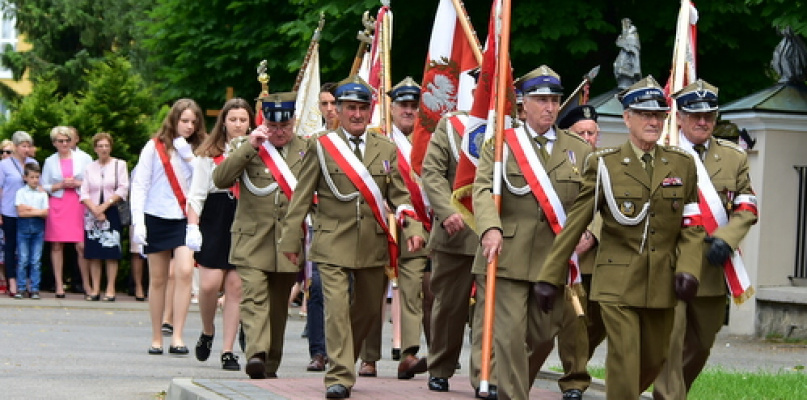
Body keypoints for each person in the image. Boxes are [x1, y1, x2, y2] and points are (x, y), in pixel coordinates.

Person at [536, 75, 705, 399]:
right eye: (645, 115)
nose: (653, 122)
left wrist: (688, 268)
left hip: (662, 281)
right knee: (625, 358)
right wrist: (549, 276)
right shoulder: (604, 164)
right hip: (617, 281)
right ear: (627, 118)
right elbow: (576, 223)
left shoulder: (682, 164)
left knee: (654, 359)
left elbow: (691, 226)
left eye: (658, 116)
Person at [278, 75, 425, 399]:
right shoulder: (321, 146)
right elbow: (301, 196)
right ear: (339, 111)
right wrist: (290, 240)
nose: (357, 114)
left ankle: (345, 358)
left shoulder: (385, 148)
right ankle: (340, 375)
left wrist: (413, 227)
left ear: (370, 110)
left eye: (362, 108)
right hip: (332, 242)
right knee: (337, 308)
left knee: (369, 310)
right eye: (350, 108)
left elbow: (400, 196)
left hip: (372, 243)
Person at [472, 65, 592, 400]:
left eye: (554, 100)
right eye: (541, 100)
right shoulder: (501, 144)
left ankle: (513, 385)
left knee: (543, 335)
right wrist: (490, 228)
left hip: (553, 258)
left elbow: (596, 196)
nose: (549, 107)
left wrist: (591, 232)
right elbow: (482, 189)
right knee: (509, 337)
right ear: (523, 104)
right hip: (508, 253)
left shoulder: (579, 149)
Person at [653, 80, 759, 400]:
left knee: (700, 345)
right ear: (679, 118)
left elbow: (747, 205)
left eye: (709, 116)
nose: (703, 122)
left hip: (712, 266)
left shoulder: (733, 157)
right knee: (672, 341)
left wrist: (727, 238)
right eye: (695, 116)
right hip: (670, 265)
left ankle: (674, 392)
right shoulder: (661, 153)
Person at [212, 91, 305, 379]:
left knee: (278, 308)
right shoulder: (245, 146)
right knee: (253, 299)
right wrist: (250, 146)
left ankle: (270, 363)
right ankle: (256, 354)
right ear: (264, 122)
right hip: (251, 240)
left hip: (288, 242)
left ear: (293, 121)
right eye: (273, 126)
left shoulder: (307, 149)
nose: (279, 132)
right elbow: (221, 179)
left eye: (285, 126)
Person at [359, 77, 431, 380]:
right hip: (381, 223)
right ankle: (369, 358)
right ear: (391, 107)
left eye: (414, 105)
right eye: (403, 105)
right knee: (373, 293)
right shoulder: (376, 140)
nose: (409, 110)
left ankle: (409, 354)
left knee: (412, 291)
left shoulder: (430, 141)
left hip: (416, 225)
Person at [131, 98, 206, 355]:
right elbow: (140, 184)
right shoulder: (154, 147)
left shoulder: (200, 148)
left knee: (184, 272)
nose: (189, 126)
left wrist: (190, 158)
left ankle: (178, 336)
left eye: (193, 122)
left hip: (185, 218)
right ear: (174, 120)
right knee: (158, 279)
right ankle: (156, 337)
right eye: (184, 121)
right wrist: (138, 221)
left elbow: (206, 180)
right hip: (156, 215)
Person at [188, 97, 254, 371]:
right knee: (209, 285)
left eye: (243, 120)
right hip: (215, 217)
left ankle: (228, 350)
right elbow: (196, 194)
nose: (238, 124)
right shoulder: (209, 153)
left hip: (243, 215)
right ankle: (208, 330)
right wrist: (193, 226)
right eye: (233, 119)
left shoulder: (256, 149)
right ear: (223, 122)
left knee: (236, 287)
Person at [553, 105, 604, 399]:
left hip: (597, 257)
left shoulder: (608, 161)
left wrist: (593, 233)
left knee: (598, 321)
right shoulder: (558, 159)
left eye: (591, 133)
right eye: (580, 133)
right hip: (565, 254)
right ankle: (574, 379)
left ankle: (579, 362)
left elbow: (609, 201)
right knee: (573, 320)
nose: (587, 139)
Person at [304, 81, 339, 373]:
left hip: (352, 225)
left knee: (349, 291)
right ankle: (318, 351)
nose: (329, 109)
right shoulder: (313, 141)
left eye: (333, 103)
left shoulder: (359, 139)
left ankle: (344, 351)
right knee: (317, 287)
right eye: (324, 104)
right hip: (320, 222)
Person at [41, 126, 93, 299]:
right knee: (57, 245)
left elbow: (92, 181)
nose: (64, 144)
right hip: (58, 203)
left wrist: (77, 183)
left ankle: (87, 285)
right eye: (60, 141)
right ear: (54, 143)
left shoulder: (84, 158)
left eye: (67, 140)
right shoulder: (49, 161)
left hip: (78, 203)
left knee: (81, 246)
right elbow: (44, 185)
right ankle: (58, 285)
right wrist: (59, 185)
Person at [79, 133, 128, 302]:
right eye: (100, 146)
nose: (104, 149)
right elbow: (84, 191)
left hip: (112, 210)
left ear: (111, 147)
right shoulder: (89, 167)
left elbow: (123, 188)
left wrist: (104, 206)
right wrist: (95, 209)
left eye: (106, 145)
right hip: (92, 212)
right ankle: (95, 289)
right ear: (95, 149)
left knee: (111, 252)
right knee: (94, 252)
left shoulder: (119, 165)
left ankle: (110, 288)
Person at [0, 131, 38, 298]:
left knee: (28, 248)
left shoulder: (33, 163)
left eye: (29, 146)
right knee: (11, 247)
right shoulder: (4, 165)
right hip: (10, 211)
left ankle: (27, 281)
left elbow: (38, 185)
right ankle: (12, 281)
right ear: (15, 147)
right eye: (23, 146)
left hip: (29, 212)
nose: (26, 149)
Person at [14, 162, 48, 299]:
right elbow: (20, 213)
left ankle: (35, 289)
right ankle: (21, 288)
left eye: (37, 177)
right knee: (23, 259)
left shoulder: (42, 194)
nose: (35, 180)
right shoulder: (21, 192)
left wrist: (29, 209)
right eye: (32, 177)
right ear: (25, 178)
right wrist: (37, 211)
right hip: (23, 229)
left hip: (38, 230)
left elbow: (45, 213)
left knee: (35, 260)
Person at [0, 139, 14, 294]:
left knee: (10, 248)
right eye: (2, 152)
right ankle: (2, 278)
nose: (4, 154)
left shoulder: (18, 169)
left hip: (11, 212)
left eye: (8, 152)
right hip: (2, 211)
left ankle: (12, 280)